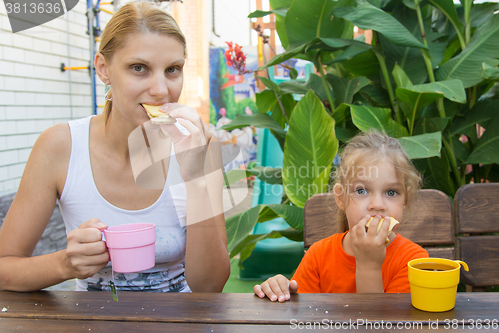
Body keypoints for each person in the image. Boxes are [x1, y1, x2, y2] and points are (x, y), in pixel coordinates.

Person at [0, 2, 230, 293]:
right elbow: (4, 267)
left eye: (172, 70)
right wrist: (64, 265)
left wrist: (196, 181)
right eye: (139, 68)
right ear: (103, 69)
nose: (161, 90)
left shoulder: (199, 145)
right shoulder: (60, 147)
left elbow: (210, 287)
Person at [254, 130, 429, 302]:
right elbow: (302, 316)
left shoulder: (414, 261)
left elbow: (379, 327)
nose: (377, 204)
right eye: (361, 190)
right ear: (340, 198)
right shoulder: (319, 256)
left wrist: (369, 266)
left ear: (405, 199)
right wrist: (280, 289)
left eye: (391, 192)